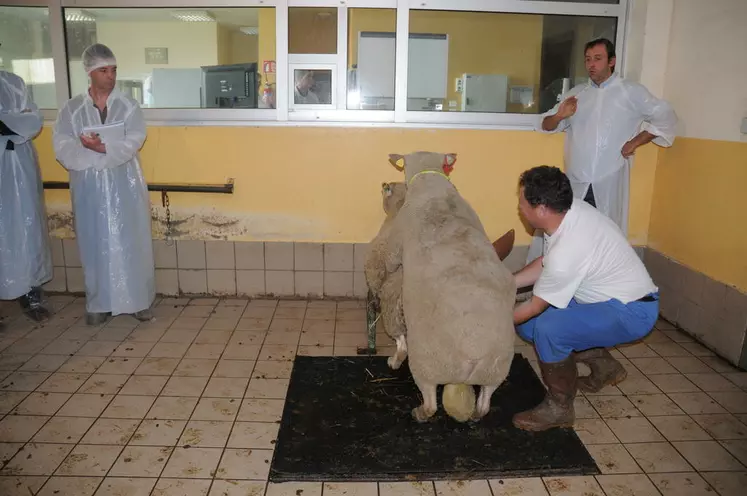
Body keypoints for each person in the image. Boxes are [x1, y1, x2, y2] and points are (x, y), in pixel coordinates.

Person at [511, 166, 659, 431]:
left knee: (547, 328)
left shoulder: (568, 249)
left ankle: (560, 408)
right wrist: (507, 283)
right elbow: (546, 262)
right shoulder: (568, 213)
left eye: (523, 201)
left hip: (632, 312)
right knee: (528, 326)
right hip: (606, 298)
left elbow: (536, 305)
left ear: (541, 208)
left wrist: (489, 318)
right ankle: (606, 367)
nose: (520, 206)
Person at [526, 38, 678, 264]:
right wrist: (560, 115)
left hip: (608, 181)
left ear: (612, 61)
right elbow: (544, 125)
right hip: (576, 182)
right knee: (564, 238)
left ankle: (596, 291)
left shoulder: (630, 92)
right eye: (588, 59)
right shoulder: (577, 95)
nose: (591, 65)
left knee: (604, 240)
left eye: (598, 59)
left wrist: (636, 142)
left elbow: (666, 117)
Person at [52, 43, 155, 326]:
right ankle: (99, 303)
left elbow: (134, 139)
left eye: (114, 70)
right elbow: (62, 146)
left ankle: (139, 300)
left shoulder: (128, 105)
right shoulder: (71, 109)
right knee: (94, 239)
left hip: (124, 180)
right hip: (89, 183)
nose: (111, 76)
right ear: (90, 72)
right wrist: (89, 152)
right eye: (104, 70)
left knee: (132, 238)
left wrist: (102, 149)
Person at [0, 70, 53, 322]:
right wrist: (13, 120)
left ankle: (29, 294)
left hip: (19, 164)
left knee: (25, 225)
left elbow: (33, 121)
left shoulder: (13, 82)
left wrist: (7, 122)